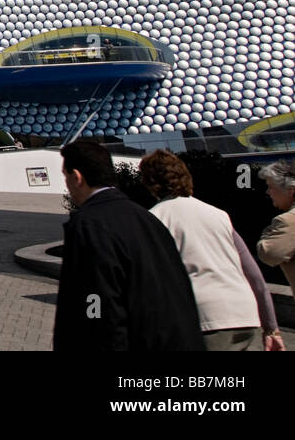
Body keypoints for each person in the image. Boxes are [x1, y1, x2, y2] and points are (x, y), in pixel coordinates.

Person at [52, 140, 203, 350]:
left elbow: (98, 301)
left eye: (65, 176)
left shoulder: (89, 224)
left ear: (77, 177)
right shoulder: (146, 219)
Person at [139, 150, 282, 351]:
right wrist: (271, 328)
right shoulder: (219, 215)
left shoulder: (153, 220)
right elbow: (254, 276)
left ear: (149, 183)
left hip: (204, 319)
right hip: (245, 313)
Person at [257, 159, 295, 292]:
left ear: (291, 190)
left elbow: (268, 253)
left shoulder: (289, 221)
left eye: (271, 186)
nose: (268, 192)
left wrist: (269, 232)